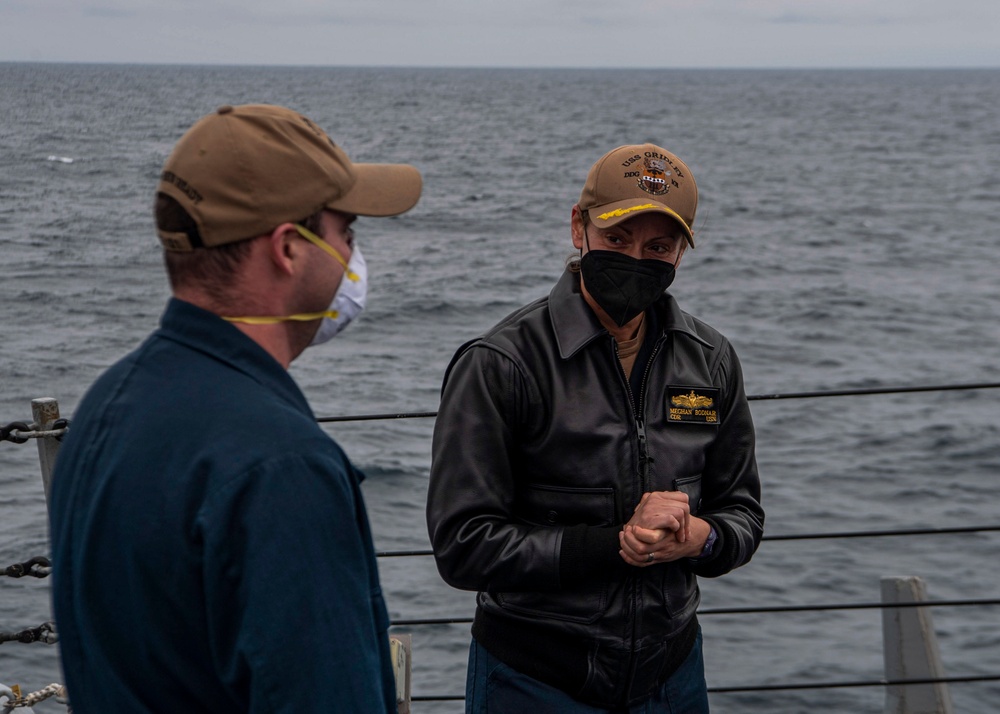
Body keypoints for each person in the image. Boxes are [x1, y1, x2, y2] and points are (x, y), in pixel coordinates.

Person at [48, 104, 422, 713]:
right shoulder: (279, 465)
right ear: (287, 249)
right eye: (346, 231)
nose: (353, 255)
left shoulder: (107, 404)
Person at [427, 143, 764, 712]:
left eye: (658, 246)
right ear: (578, 228)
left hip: (673, 675)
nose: (636, 258)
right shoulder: (501, 363)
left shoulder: (711, 360)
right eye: (617, 239)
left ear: (681, 253)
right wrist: (615, 546)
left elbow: (744, 514)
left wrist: (698, 538)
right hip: (534, 680)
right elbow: (463, 546)